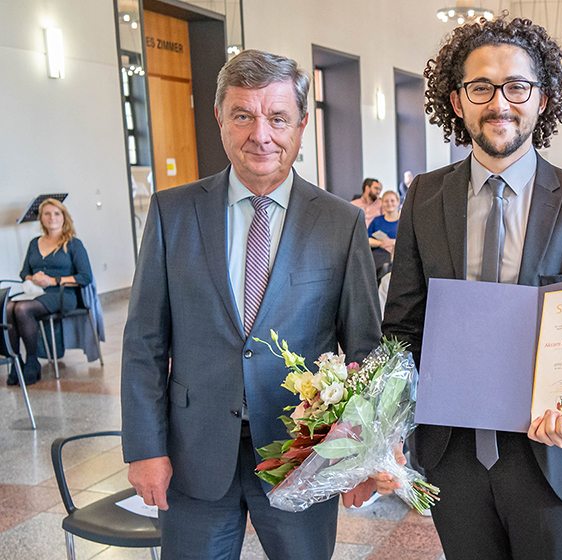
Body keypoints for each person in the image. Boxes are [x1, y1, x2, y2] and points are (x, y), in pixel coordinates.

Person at [378, 15, 562, 560]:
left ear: (542, 99)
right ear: (457, 100)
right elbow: (403, 324)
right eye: (481, 87)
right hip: (451, 454)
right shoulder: (424, 196)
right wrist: (385, 421)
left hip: (551, 457)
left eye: (517, 86)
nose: (499, 103)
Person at [120, 49, 382, 559]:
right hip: (194, 453)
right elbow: (144, 341)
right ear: (220, 118)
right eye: (243, 115)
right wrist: (145, 448)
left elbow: (366, 351)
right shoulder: (173, 213)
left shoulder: (340, 223)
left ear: (301, 125)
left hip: (302, 455)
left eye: (278, 118)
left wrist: (364, 456)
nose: (261, 135)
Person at [6, 198, 92, 386]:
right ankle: (16, 362)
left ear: (64, 217)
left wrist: (52, 280)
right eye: (47, 213)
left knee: (22, 310)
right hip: (36, 293)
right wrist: (33, 278)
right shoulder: (34, 243)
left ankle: (32, 362)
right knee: (9, 307)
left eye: (56, 213)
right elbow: (24, 273)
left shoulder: (73, 244)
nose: (51, 217)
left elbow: (85, 277)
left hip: (63, 295)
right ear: (41, 219)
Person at [369, 190, 401, 271]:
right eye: (386, 201)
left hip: (399, 255)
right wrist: (381, 243)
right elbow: (366, 239)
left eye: (392, 201)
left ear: (398, 202)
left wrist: (393, 242)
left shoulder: (404, 221)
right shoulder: (376, 221)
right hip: (379, 257)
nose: (389, 204)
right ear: (382, 203)